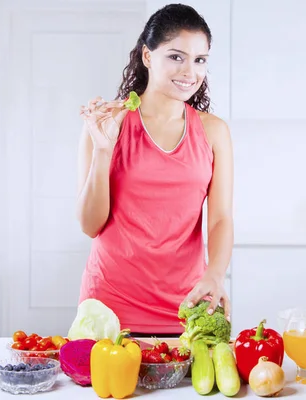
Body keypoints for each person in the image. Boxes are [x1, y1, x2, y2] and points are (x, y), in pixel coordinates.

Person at [76, 4, 234, 337]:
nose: (190, 72)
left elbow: (220, 218)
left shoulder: (213, 131)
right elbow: (91, 225)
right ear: (148, 56)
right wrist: (104, 151)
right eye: (176, 57)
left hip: (187, 309)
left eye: (199, 60)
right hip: (110, 310)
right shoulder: (107, 124)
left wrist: (215, 275)